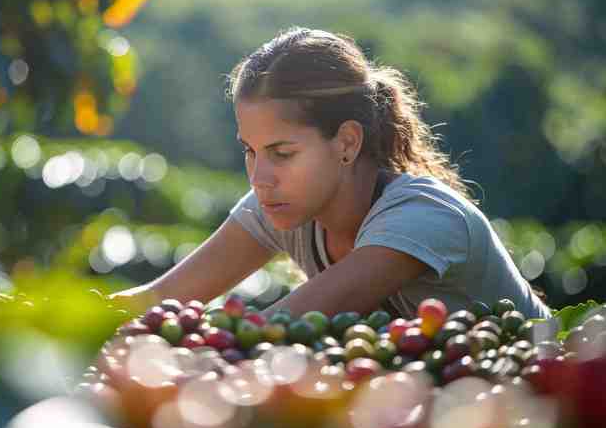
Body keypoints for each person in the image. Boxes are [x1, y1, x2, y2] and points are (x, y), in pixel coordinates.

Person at [109, 27, 552, 320]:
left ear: (346, 142)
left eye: (282, 153)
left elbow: (274, 330)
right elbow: (158, 301)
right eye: (250, 151)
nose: (259, 178)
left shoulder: (424, 218)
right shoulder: (283, 202)